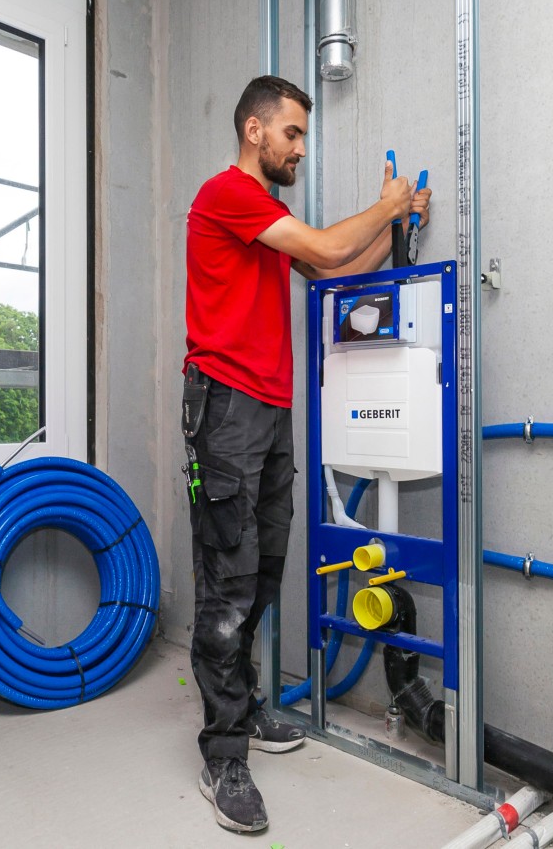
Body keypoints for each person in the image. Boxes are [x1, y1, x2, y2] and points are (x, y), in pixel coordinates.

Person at [182, 74, 430, 833]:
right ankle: (224, 754)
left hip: (269, 409)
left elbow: (332, 270)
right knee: (226, 585)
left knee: (261, 569)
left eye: (302, 136)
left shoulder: (267, 218)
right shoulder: (226, 194)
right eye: (292, 134)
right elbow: (326, 245)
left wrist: (395, 229)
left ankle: (246, 707)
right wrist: (383, 206)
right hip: (224, 407)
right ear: (255, 131)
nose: (298, 148)